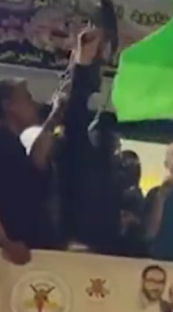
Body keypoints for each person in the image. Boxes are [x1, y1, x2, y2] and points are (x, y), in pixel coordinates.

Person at [0, 77, 64, 264]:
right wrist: (4, 242)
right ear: (8, 105)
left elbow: (36, 160)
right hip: (5, 256)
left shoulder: (16, 147)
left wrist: (55, 116)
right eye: (27, 99)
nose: (34, 104)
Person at [56, 27, 125, 255]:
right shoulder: (80, 156)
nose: (110, 142)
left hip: (104, 254)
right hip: (73, 248)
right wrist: (82, 64)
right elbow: (74, 114)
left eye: (113, 139)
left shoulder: (111, 174)